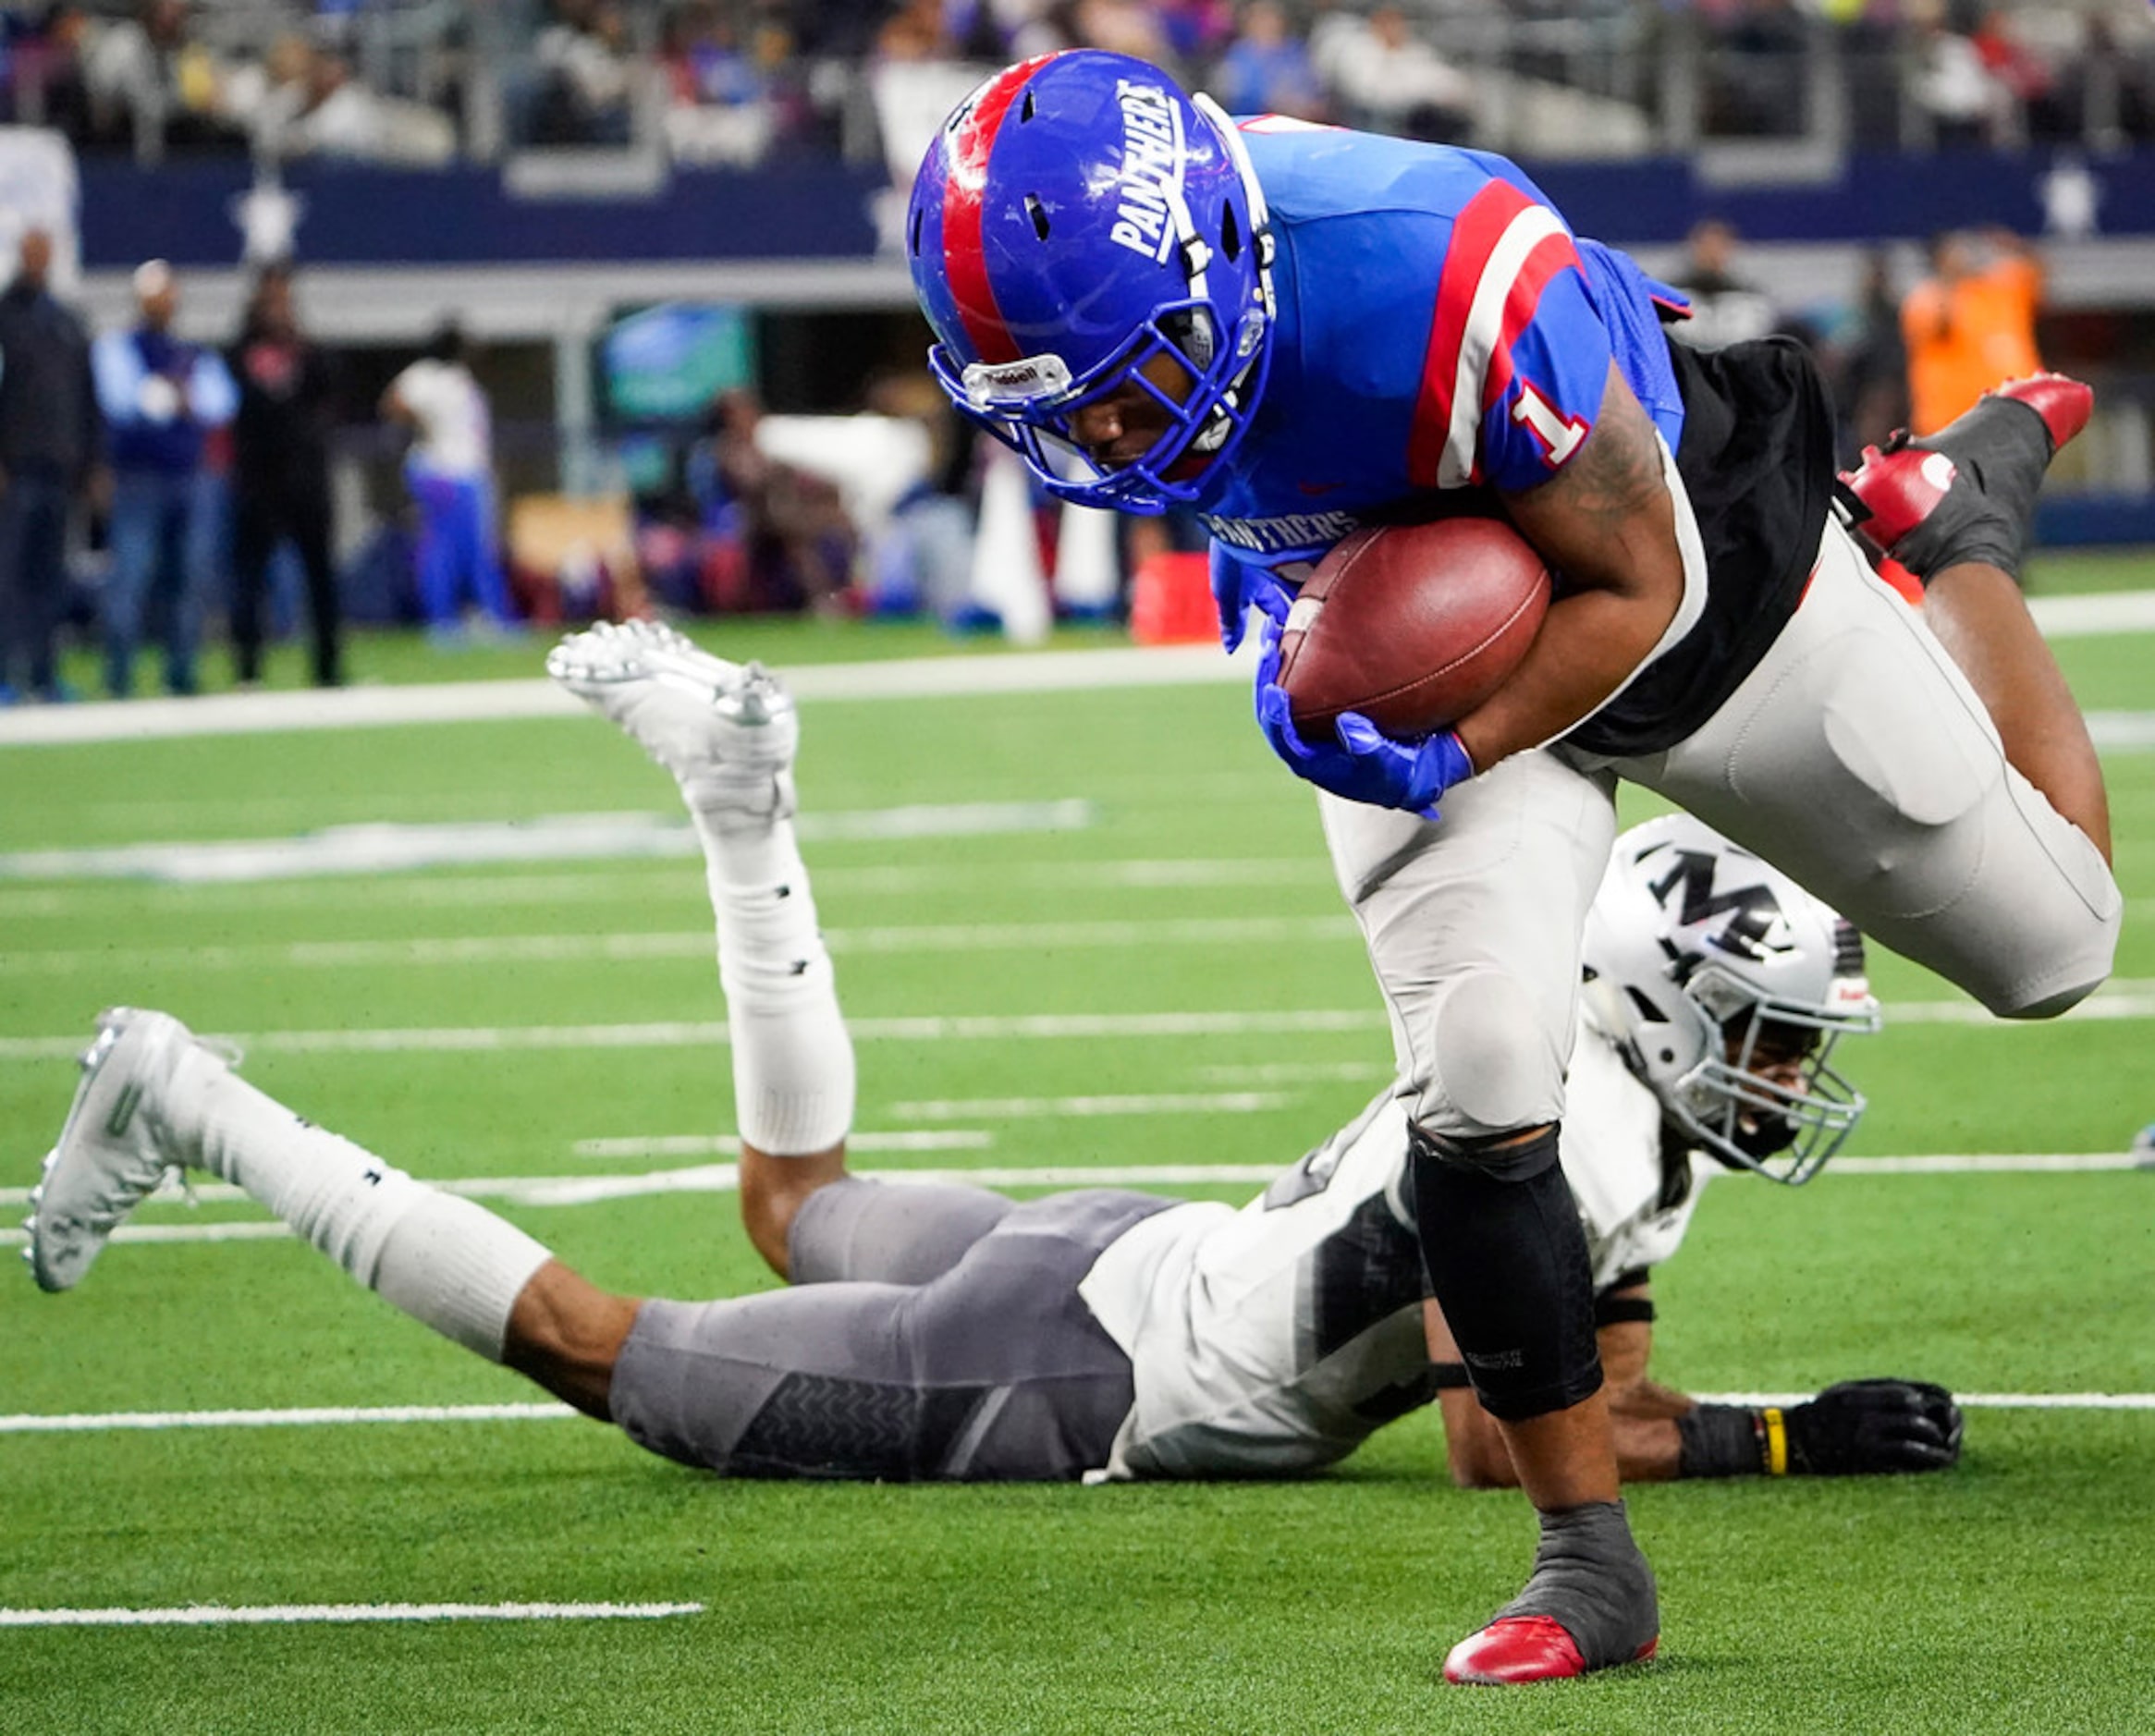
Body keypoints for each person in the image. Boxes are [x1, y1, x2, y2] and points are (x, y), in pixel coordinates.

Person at [901, 51, 2119, 1681]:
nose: (1111, 432)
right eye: (1061, 405)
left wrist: (1442, 752)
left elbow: (1640, 587)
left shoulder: (1439, 267)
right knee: (1474, 1084)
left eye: (1131, 377)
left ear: (1223, 263)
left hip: (1700, 592)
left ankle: (1944, 517)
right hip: (1441, 638)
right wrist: (1299, 649)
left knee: (2057, 949)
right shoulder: (1157, 312)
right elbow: (1270, 521)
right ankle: (1585, 1566)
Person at [23, 627, 1962, 1502]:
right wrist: (1779, 1441)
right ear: (1664, 998)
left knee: (788, 1204)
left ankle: (736, 794)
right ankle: (186, 1095)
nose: (1787, 1078)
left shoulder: (1574, 1070)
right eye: (1773, 1038)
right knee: (609, 1359)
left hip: (1125, 1249)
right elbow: (1495, 1437)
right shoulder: (1597, 1134)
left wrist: (1722, 1418)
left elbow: (1559, 1364)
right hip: (1098, 1365)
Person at [92, 258, 236, 698]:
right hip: (138, 480)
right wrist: (175, 398)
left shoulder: (190, 351)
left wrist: (170, 397)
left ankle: (182, 673)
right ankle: (119, 676)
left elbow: (221, 402)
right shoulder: (118, 347)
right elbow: (128, 402)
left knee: (190, 580)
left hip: (189, 479)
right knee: (129, 578)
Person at [226, 263, 343, 688]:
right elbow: (236, 404)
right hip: (260, 480)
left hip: (306, 479)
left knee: (320, 576)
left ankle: (328, 669)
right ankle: (248, 670)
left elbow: (328, 397)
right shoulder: (239, 351)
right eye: (271, 296)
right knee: (250, 577)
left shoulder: (307, 350)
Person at [0, 226, 101, 704]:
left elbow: (87, 396)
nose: (39, 259)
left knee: (49, 578)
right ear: (22, 255)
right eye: (32, 251)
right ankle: (4, 674)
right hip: (15, 469)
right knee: (8, 575)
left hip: (60, 466)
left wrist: (93, 462)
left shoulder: (66, 321)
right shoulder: (5, 317)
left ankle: (43, 674)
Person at [381, 322, 514, 638]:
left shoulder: (460, 379)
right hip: (441, 470)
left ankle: (487, 615)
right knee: (442, 549)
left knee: (476, 549)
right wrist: (426, 424)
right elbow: (393, 403)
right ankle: (444, 621)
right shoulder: (426, 375)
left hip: (467, 471)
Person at [1902, 227, 2045, 436]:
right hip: (1953, 424)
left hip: (2013, 414)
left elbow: (2037, 272)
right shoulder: (1927, 297)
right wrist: (1952, 278)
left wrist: (2015, 246)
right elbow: (1939, 325)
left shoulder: (2002, 288)